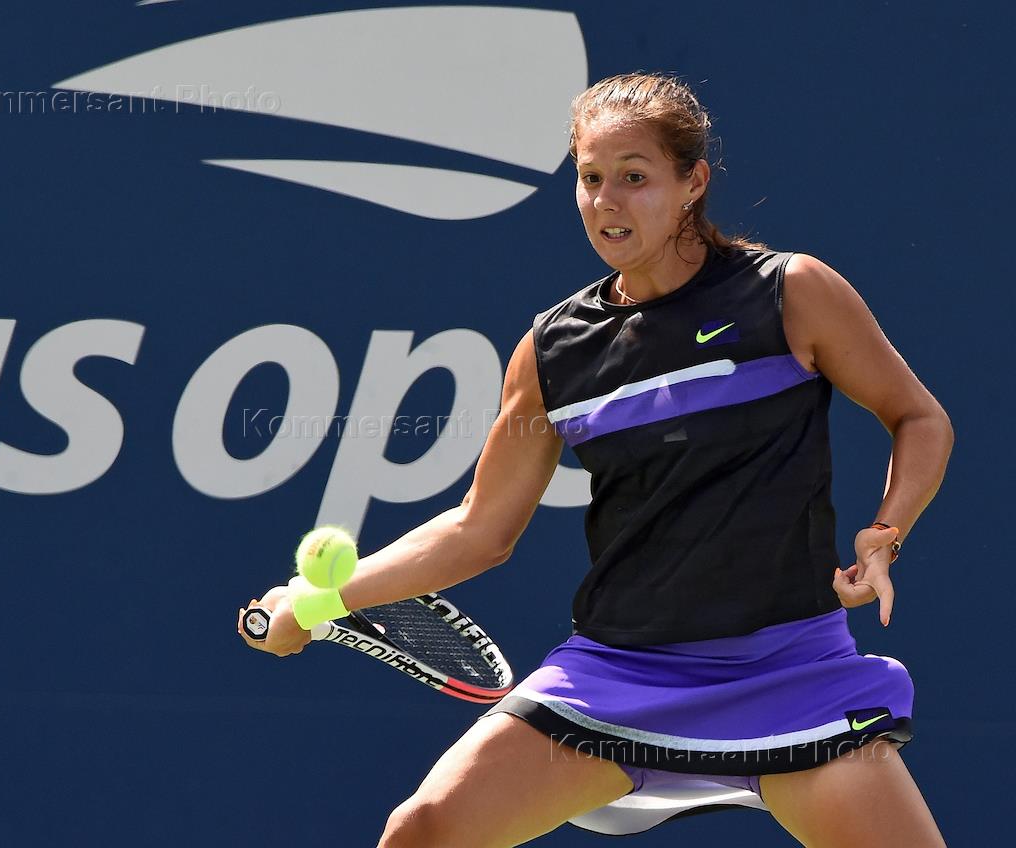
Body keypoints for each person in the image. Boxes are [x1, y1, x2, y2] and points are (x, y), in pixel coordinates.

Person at [237, 73, 953, 847]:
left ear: (692, 183)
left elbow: (918, 417)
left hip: (792, 673)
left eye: (634, 178)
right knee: (422, 830)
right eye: (590, 178)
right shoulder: (553, 352)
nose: (606, 201)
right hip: (616, 679)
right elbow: (479, 530)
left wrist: (886, 532)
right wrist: (317, 601)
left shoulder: (789, 293)